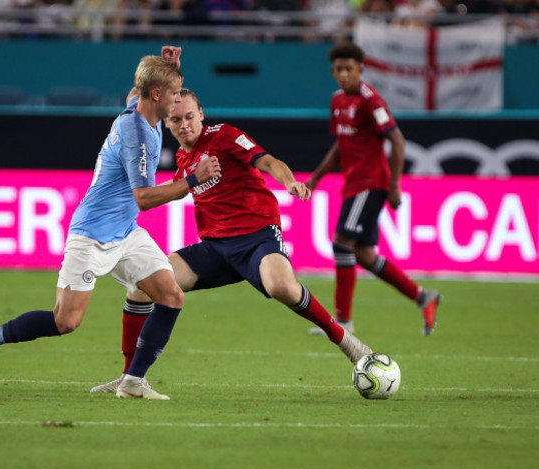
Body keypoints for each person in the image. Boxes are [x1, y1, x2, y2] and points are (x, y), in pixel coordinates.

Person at [0, 46, 222, 400]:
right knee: (66, 322)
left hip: (125, 232)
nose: (178, 102)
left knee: (171, 295)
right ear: (156, 95)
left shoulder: (140, 106)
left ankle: (132, 381)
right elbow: (143, 198)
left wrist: (169, 69)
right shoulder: (138, 134)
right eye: (174, 94)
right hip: (92, 236)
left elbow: (138, 89)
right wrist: (193, 179)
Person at [91, 88, 375, 395]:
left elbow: (267, 161)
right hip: (215, 249)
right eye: (176, 120)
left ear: (201, 114)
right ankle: (131, 379)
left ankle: (347, 342)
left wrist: (290, 181)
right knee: (141, 286)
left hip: (258, 238)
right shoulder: (185, 159)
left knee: (282, 287)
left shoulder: (224, 135)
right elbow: (139, 105)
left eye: (190, 116)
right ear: (168, 124)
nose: (185, 124)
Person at [305, 42, 440, 338]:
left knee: (342, 242)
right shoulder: (337, 100)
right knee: (363, 254)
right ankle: (422, 296)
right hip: (353, 184)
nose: (343, 74)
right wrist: (315, 179)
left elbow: (398, 140)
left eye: (348, 69)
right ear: (333, 71)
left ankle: (343, 321)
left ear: (360, 70)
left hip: (371, 182)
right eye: (338, 69)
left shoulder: (370, 101)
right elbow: (339, 147)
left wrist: (394, 185)